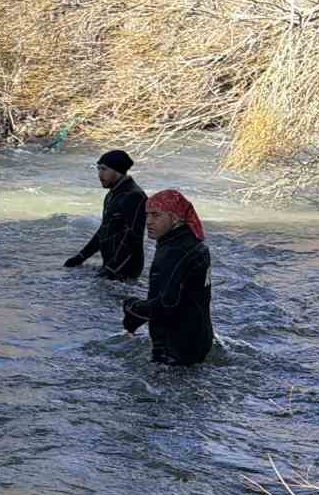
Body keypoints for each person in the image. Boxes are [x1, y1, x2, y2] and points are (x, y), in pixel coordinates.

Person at [123, 190, 214, 366]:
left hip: (176, 347)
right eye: (147, 215)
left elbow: (166, 305)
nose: (148, 221)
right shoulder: (194, 242)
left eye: (156, 215)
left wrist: (131, 307)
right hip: (199, 338)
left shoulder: (174, 251)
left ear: (175, 218)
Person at [64, 149, 148, 280]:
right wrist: (81, 256)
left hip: (125, 270)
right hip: (110, 266)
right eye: (98, 169)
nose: (100, 174)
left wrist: (111, 270)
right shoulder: (112, 194)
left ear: (118, 170)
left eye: (104, 169)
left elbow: (133, 238)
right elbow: (104, 230)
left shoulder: (134, 196)